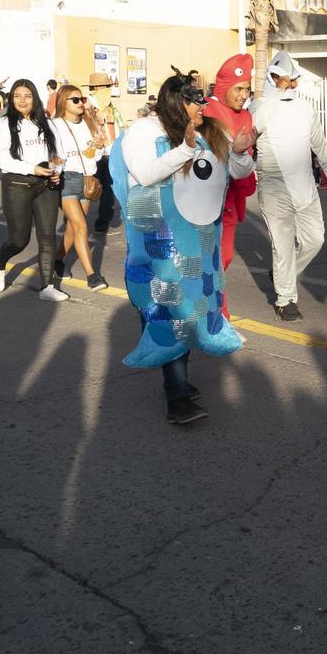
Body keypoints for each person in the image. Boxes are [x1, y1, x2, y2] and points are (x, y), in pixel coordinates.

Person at [113, 73, 256, 424]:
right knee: (169, 313)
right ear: (177, 102)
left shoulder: (209, 129)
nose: (203, 107)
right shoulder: (145, 131)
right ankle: (176, 395)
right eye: (196, 102)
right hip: (160, 240)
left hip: (198, 241)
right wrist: (184, 150)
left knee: (193, 311)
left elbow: (237, 171)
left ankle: (178, 381)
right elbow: (146, 174)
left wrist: (238, 152)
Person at [251, 51, 327, 322]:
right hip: (274, 185)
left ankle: (283, 274)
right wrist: (275, 93)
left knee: (315, 240)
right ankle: (285, 299)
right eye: (281, 79)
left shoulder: (305, 108)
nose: (287, 84)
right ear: (273, 79)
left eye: (291, 80)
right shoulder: (260, 106)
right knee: (283, 245)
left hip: (305, 185)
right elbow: (248, 137)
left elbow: (320, 144)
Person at [0, 79, 68, 303]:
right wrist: (31, 168)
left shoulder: (48, 123)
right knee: (19, 239)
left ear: (35, 98)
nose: (23, 101)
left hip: (46, 186)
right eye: (17, 96)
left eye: (28, 96)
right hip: (17, 184)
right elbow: (1, 157)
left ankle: (47, 285)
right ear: (12, 99)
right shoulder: (3, 124)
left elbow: (59, 152)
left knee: (47, 236)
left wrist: (56, 169)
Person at [202, 54, 257, 316]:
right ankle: (217, 313)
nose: (244, 94)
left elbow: (243, 162)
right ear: (224, 88)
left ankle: (214, 311)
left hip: (230, 199)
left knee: (223, 258)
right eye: (238, 88)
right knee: (210, 259)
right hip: (204, 200)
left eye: (247, 88)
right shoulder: (207, 112)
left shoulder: (246, 115)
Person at [51, 83, 109, 290]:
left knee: (72, 228)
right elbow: (51, 153)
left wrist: (97, 147)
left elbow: (93, 155)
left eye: (82, 99)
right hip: (66, 179)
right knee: (82, 227)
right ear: (63, 102)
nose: (80, 103)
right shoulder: (55, 124)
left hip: (87, 180)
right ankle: (92, 276)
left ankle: (57, 261)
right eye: (75, 100)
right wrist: (53, 166)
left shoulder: (88, 124)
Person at [85, 73, 120, 234]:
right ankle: (74, 223)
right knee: (87, 189)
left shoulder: (109, 106)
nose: (109, 90)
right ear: (97, 88)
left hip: (109, 152)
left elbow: (113, 128)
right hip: (93, 152)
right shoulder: (87, 106)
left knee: (108, 189)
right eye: (106, 87)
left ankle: (102, 224)